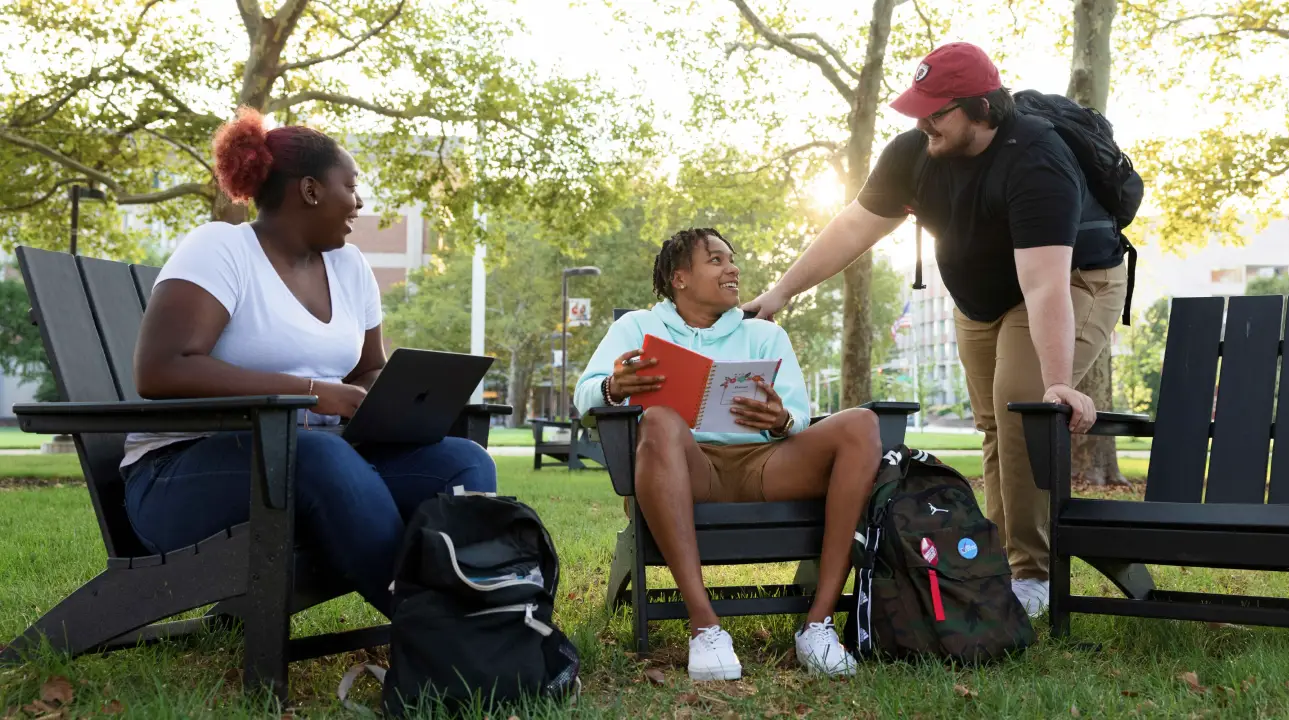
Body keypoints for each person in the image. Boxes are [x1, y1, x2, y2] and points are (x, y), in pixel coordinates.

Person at [743, 42, 1129, 618]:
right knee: (995, 428)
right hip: (980, 300)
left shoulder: (1036, 160)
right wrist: (781, 292)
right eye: (918, 109)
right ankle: (1002, 562)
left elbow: (1045, 283)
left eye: (937, 111)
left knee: (1024, 413)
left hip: (1074, 282)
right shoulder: (914, 153)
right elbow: (854, 226)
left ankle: (1033, 575)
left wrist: (1056, 384)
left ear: (982, 109)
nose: (923, 121)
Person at [123, 107, 497, 617]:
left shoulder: (350, 266)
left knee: (464, 460)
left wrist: (395, 400)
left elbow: (368, 368)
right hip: (180, 477)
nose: (359, 202)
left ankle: (483, 607)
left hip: (313, 465)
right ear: (310, 190)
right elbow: (162, 369)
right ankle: (442, 627)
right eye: (351, 185)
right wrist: (315, 391)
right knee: (318, 456)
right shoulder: (221, 249)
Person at [574, 228, 882, 681]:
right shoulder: (637, 328)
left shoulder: (763, 335)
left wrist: (779, 417)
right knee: (657, 419)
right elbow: (584, 396)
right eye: (715, 260)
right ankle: (705, 626)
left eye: (732, 259)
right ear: (679, 277)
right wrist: (612, 387)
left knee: (862, 423)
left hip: (764, 465)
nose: (732, 268)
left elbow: (798, 415)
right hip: (687, 467)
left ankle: (818, 625)